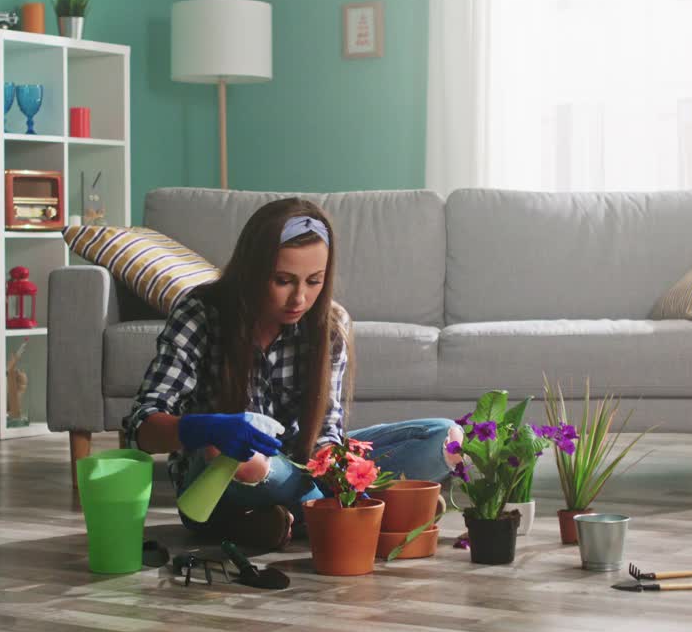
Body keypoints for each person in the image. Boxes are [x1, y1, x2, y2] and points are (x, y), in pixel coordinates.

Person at [126, 198, 463, 550]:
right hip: (220, 477)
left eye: (314, 281)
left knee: (443, 437)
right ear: (251, 270)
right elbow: (141, 426)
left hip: (301, 469)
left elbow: (326, 434)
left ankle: (282, 519)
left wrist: (338, 464)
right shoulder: (200, 312)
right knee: (245, 462)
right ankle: (368, 513)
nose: (299, 299)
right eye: (283, 280)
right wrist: (206, 428)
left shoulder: (329, 324)